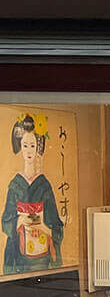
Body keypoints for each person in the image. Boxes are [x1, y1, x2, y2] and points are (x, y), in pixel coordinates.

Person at [2, 114, 64, 275]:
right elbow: (6, 220)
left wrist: (44, 226)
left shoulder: (44, 185)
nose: (29, 151)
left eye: (32, 145)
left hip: (42, 258)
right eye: (25, 145)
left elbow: (56, 226)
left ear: (38, 148)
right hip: (19, 256)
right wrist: (20, 220)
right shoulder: (15, 184)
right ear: (20, 147)